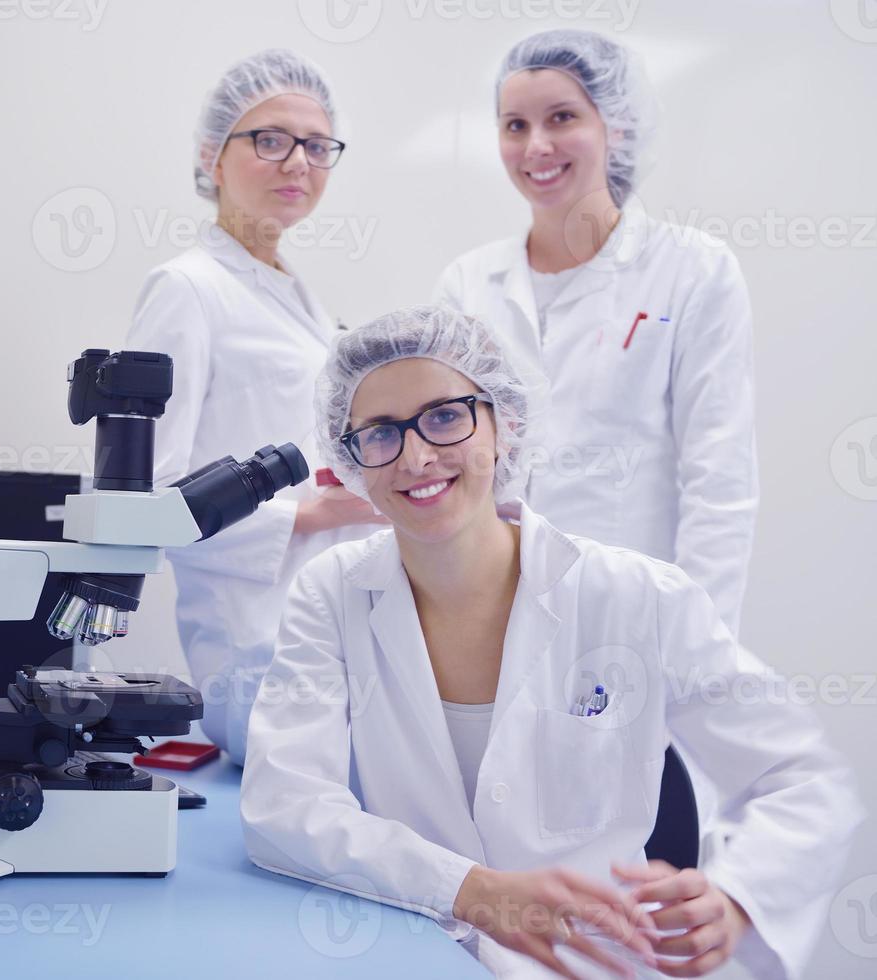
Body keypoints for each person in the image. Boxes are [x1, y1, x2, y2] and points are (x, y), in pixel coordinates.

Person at [240, 307, 861, 979]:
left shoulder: (636, 597)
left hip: (598, 962)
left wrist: (738, 899)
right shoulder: (330, 594)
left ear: (504, 424)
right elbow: (286, 802)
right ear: (349, 456)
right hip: (413, 953)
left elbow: (799, 777)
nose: (415, 456)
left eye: (444, 416)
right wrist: (473, 892)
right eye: (381, 433)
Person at [434, 30, 757, 638]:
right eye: (514, 125)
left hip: (636, 614)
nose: (537, 146)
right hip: (489, 616)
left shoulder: (691, 268)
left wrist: (700, 644)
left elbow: (720, 478)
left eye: (562, 117)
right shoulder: (468, 283)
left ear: (618, 125)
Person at [126, 49, 382, 761]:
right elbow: (143, 496)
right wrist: (305, 513)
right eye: (270, 139)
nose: (297, 161)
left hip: (325, 614)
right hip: (251, 641)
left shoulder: (294, 293)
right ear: (212, 155)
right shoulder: (186, 288)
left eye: (317, 145)